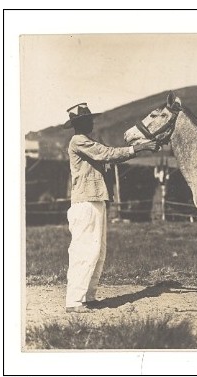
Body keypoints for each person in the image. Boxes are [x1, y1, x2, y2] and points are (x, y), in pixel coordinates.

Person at [63, 103, 158, 313]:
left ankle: (87, 296)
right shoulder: (78, 141)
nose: (92, 122)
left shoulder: (87, 141)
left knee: (98, 250)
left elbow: (106, 155)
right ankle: (74, 301)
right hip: (85, 203)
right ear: (79, 124)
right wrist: (137, 148)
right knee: (85, 250)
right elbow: (106, 154)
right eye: (88, 120)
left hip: (95, 200)